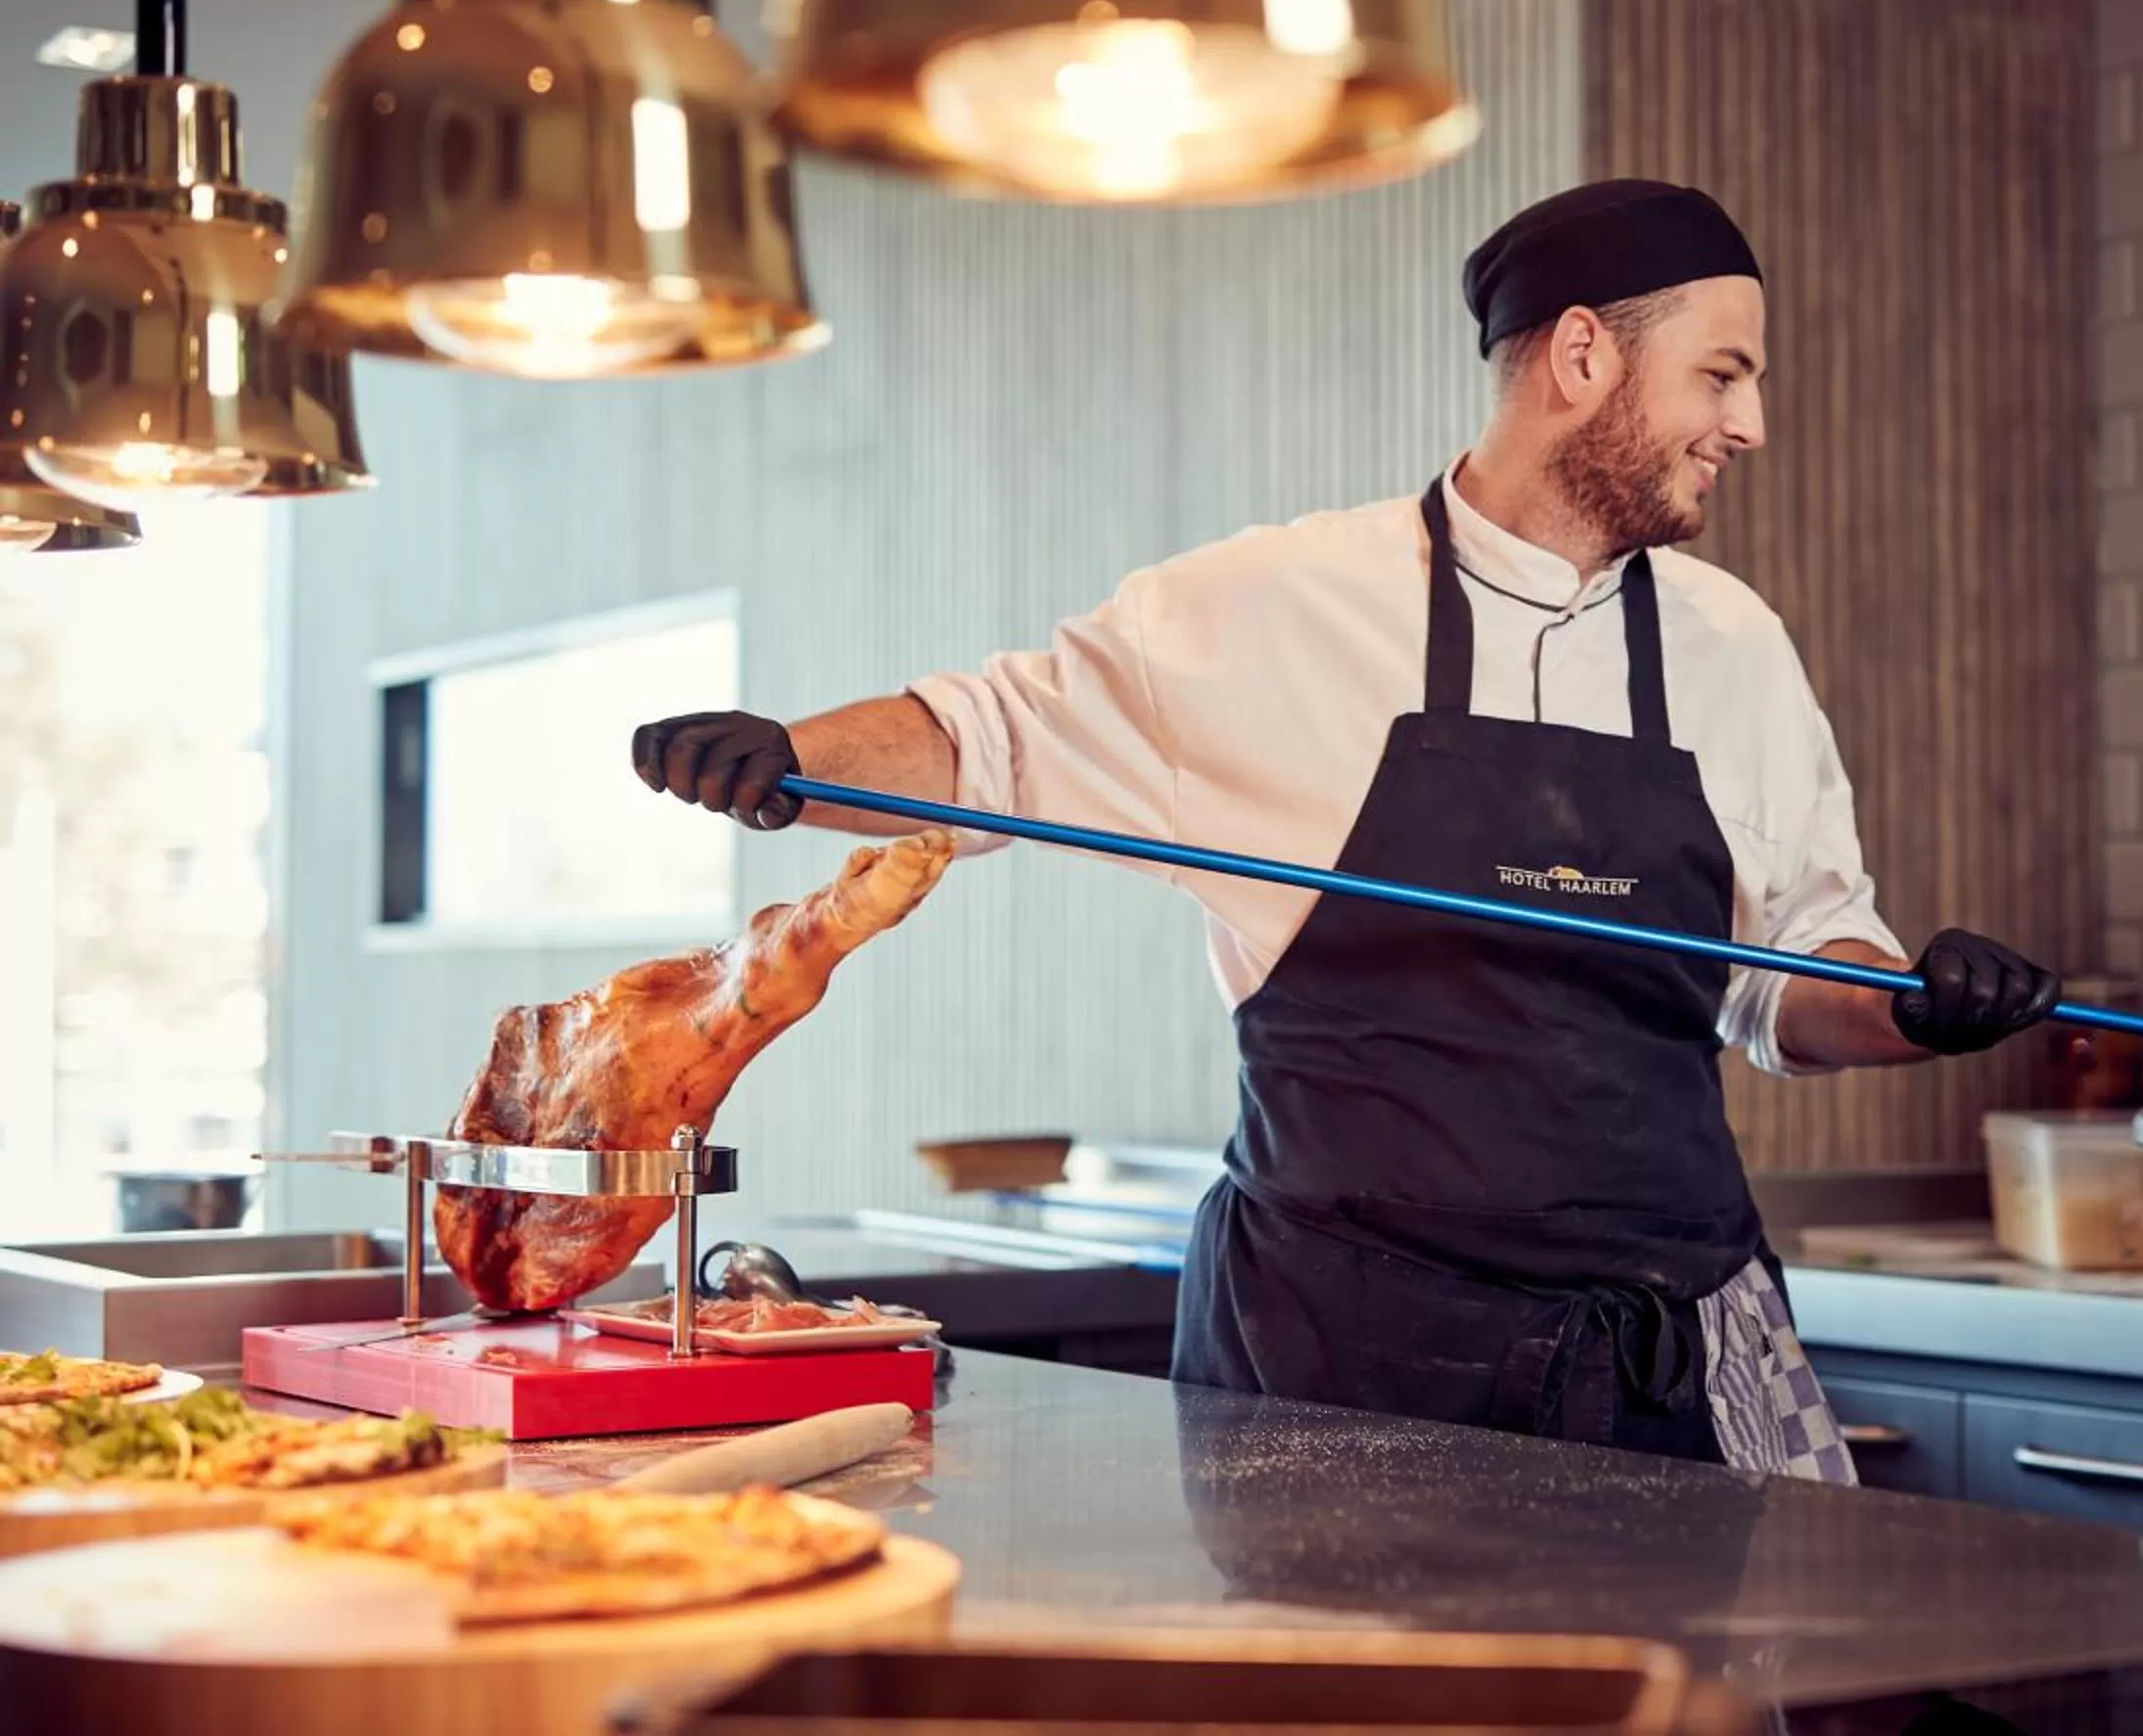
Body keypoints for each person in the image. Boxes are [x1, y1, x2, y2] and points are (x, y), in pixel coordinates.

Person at [635, 178, 2059, 1484]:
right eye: (1725, 375)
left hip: (1665, 1356)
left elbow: (1788, 974)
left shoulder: (1733, 644)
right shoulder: (1268, 607)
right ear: (1582, 359)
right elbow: (993, 739)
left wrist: (1912, 1006)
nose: (1749, 424)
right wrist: (792, 759)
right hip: (1345, 1358)